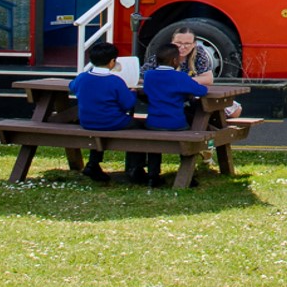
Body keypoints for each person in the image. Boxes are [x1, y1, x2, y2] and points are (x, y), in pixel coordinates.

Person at [139, 43, 214, 186]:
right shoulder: (180, 77)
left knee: (155, 144)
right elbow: (201, 91)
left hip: (153, 122)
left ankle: (153, 175)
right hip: (176, 122)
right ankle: (188, 176)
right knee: (190, 132)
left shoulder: (149, 76)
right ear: (175, 60)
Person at [68, 41, 139, 184]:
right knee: (139, 126)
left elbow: (72, 86)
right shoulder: (115, 81)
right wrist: (133, 93)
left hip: (87, 122)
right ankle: (135, 167)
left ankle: (93, 163)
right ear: (112, 61)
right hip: (112, 122)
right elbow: (128, 104)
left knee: (100, 127)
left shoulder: (82, 77)